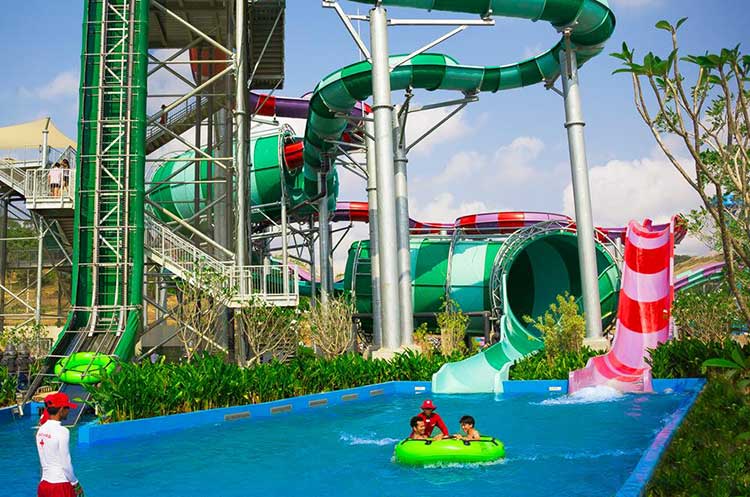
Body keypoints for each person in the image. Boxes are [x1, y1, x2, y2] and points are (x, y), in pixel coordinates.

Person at [36, 392, 84, 497]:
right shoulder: (62, 431)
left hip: (44, 485)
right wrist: (75, 483)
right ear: (61, 409)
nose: (69, 411)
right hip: (60, 486)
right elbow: (65, 463)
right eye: (67, 408)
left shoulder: (41, 430)